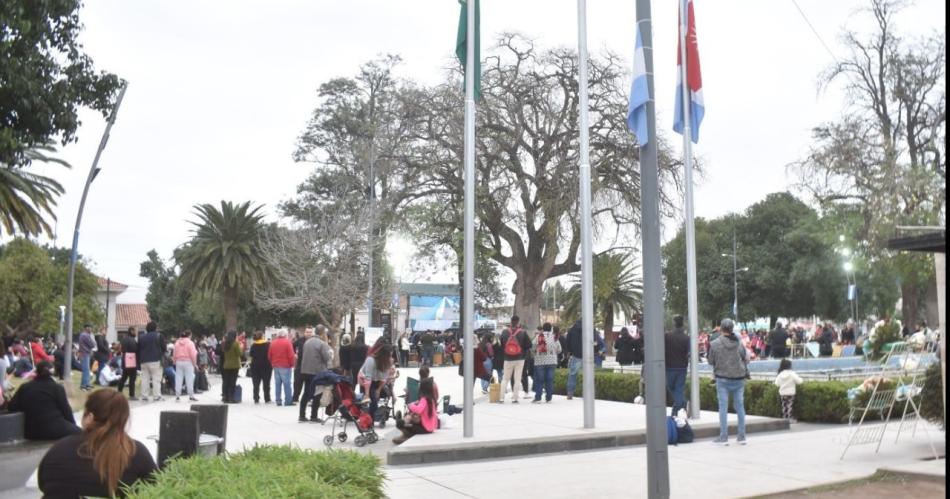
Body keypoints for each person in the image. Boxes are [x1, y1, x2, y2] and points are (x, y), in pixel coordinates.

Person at [38, 389, 157, 498]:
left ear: (89, 417)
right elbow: (156, 488)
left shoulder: (59, 448)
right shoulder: (135, 452)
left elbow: (43, 484)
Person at [8, 361, 80, 440]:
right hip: (55, 428)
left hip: (30, 431)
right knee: (82, 434)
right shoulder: (57, 388)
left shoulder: (25, 387)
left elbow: (12, 407)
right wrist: (73, 425)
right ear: (53, 373)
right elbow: (66, 410)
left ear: (37, 372)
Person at [707, 318, 749, 446]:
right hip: (739, 378)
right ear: (731, 329)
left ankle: (723, 437)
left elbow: (710, 361)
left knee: (723, 408)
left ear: (720, 328)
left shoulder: (714, 343)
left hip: (722, 378)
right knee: (740, 407)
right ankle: (741, 436)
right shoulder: (738, 343)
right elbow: (744, 357)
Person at [299, 326, 333, 423]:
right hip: (317, 371)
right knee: (317, 393)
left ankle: (302, 415)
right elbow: (327, 358)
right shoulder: (322, 344)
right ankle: (314, 416)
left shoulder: (307, 342)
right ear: (322, 333)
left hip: (305, 370)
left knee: (306, 393)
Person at [393, 377, 438, 445]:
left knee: (400, 423)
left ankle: (407, 436)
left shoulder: (424, 399)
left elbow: (418, 410)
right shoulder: (431, 399)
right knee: (408, 422)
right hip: (430, 428)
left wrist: (410, 405)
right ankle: (406, 435)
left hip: (424, 429)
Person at [499, 315, 530, 404]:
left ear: (511, 321)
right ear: (518, 322)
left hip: (507, 358)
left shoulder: (504, 332)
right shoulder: (523, 332)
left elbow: (502, 345)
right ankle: (515, 398)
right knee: (517, 378)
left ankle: (501, 398)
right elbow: (529, 345)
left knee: (505, 378)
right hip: (520, 359)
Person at [359, 344, 394, 423]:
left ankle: (371, 419)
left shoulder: (387, 362)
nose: (390, 357)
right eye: (389, 355)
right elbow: (368, 378)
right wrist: (367, 394)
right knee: (373, 401)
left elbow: (383, 378)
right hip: (365, 380)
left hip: (377, 381)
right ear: (384, 354)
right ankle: (370, 422)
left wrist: (378, 390)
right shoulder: (371, 360)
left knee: (377, 398)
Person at [664, 315, 690, 416]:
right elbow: (689, 353)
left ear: (674, 323)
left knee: (670, 387)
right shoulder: (686, 338)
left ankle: (679, 405)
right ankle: (681, 404)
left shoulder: (667, 336)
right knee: (679, 388)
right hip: (682, 367)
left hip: (670, 367)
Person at [532, 322, 561, 403]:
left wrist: (535, 352)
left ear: (543, 328)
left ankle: (538, 398)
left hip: (540, 361)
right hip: (552, 361)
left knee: (539, 380)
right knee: (549, 380)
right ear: (550, 328)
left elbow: (533, 346)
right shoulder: (554, 337)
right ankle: (549, 398)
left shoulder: (538, 336)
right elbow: (559, 349)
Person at [137, 322, 165, 402]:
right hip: (155, 360)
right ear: (155, 328)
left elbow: (138, 349)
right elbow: (164, 348)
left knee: (145, 378)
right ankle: (157, 396)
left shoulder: (141, 337)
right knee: (156, 379)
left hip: (143, 360)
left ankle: (144, 396)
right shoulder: (159, 335)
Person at [268, 329, 296, 406]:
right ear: (285, 335)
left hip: (276, 366)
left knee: (277, 384)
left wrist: (273, 363)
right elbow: (291, 355)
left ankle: (278, 400)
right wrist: (292, 364)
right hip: (285, 366)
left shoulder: (273, 343)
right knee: (287, 384)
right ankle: (288, 400)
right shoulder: (287, 342)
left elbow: (269, 355)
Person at [172, 330, 199, 402]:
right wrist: (195, 364)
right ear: (189, 335)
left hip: (179, 362)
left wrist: (174, 362)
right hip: (188, 362)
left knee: (178, 378)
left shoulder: (177, 343)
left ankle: (177, 396)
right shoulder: (190, 343)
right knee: (189, 378)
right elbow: (193, 355)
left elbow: (174, 353)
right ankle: (191, 395)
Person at [774, 358, 803, 423]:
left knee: (784, 406)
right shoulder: (792, 374)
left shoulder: (780, 374)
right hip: (791, 392)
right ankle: (790, 418)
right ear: (789, 366)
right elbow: (799, 381)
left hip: (782, 393)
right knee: (790, 405)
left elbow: (776, 384)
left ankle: (785, 418)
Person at [248, 331, 272, 404]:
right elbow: (270, 354)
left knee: (256, 383)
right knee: (266, 383)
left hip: (255, 366)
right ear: (262, 336)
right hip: (266, 366)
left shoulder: (253, 345)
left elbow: (251, 355)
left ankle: (256, 398)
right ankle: (267, 398)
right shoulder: (267, 345)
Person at [221, 331, 243, 403]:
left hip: (226, 365)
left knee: (226, 381)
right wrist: (241, 347)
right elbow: (239, 354)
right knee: (232, 382)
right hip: (234, 365)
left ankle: (225, 397)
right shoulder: (235, 344)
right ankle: (231, 397)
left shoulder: (225, 343)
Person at [565, 319, 583, 400]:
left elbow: (567, 342)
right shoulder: (588, 328)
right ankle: (587, 393)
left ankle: (570, 393)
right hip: (587, 356)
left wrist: (570, 351)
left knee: (572, 375)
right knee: (588, 376)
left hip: (575, 355)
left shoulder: (571, 330)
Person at [77, 324, 97, 391]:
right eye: (90, 328)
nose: (91, 329)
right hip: (85, 354)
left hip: (84, 354)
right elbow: (92, 344)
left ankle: (86, 384)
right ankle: (84, 386)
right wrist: (92, 338)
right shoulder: (85, 335)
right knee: (86, 370)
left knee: (86, 370)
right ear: (87, 328)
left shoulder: (83, 335)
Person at [292, 328, 309, 403]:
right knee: (297, 382)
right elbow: (292, 346)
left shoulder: (313, 340)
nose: (309, 333)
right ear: (304, 332)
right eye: (307, 332)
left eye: (310, 332)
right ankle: (295, 397)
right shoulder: (300, 340)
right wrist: (294, 354)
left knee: (309, 383)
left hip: (310, 365)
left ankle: (307, 398)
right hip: (300, 364)